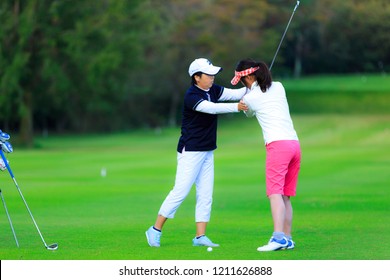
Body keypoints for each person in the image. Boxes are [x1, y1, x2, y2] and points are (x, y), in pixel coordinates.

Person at [146, 58, 248, 247]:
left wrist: (254, 82)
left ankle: (200, 237)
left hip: (208, 149)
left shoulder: (214, 89)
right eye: (208, 75)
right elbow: (211, 109)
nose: (212, 78)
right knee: (180, 192)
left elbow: (238, 92)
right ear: (197, 77)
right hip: (191, 150)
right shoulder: (191, 95)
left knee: (206, 194)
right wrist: (236, 107)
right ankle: (155, 230)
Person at [231, 58, 301, 251]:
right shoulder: (278, 86)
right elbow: (265, 90)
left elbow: (249, 112)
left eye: (243, 80)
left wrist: (248, 94)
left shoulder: (249, 98)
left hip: (277, 146)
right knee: (285, 196)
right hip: (294, 144)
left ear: (249, 77)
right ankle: (287, 238)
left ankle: (278, 238)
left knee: (275, 193)